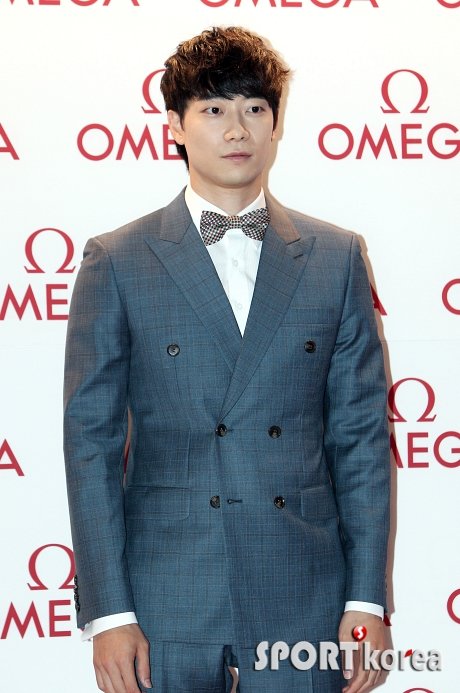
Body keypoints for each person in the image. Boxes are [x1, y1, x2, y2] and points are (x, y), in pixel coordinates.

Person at [63, 26, 390, 693]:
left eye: (254, 108)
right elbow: (90, 443)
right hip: (165, 592)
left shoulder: (336, 257)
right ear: (175, 127)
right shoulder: (117, 260)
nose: (237, 128)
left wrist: (366, 601)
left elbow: (359, 439)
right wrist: (110, 611)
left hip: (303, 588)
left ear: (275, 124)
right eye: (213, 109)